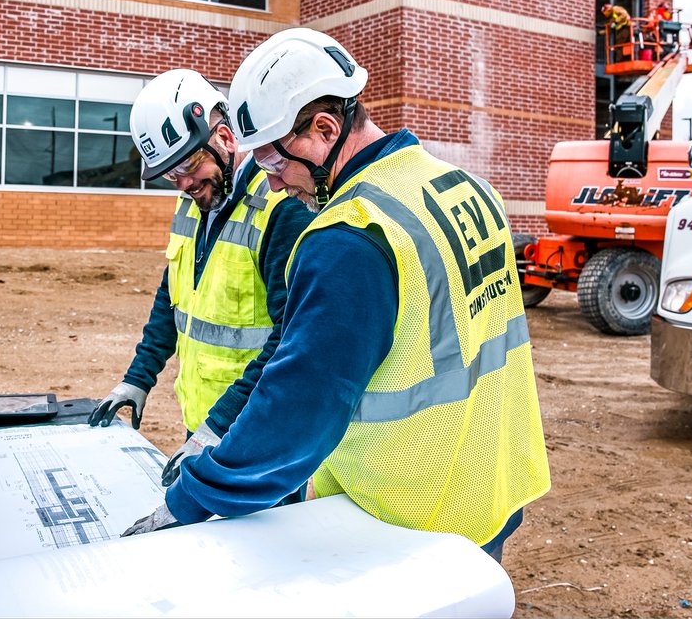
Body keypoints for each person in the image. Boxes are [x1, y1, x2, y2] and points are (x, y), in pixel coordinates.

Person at [123, 29, 551, 563]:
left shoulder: (348, 238)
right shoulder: (464, 185)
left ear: (323, 129)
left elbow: (299, 405)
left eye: (276, 165)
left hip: (406, 517)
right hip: (490, 483)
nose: (274, 185)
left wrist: (192, 497)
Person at [89, 69, 313, 485]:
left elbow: (291, 339)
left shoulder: (280, 209)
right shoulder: (192, 202)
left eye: (190, 165)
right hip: (204, 427)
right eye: (173, 174)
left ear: (225, 138)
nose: (185, 183)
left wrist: (220, 427)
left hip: (256, 433)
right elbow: (172, 296)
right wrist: (137, 379)